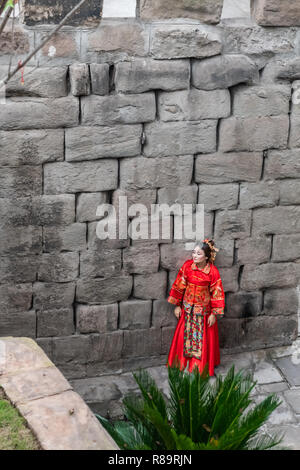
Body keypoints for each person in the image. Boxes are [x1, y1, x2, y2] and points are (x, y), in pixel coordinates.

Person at [166, 238, 225, 377]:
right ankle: (184, 363)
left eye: (198, 254)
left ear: (206, 256)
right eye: (193, 252)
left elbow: (217, 293)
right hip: (187, 311)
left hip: (203, 313)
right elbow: (179, 285)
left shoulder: (212, 272)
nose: (194, 256)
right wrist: (177, 305)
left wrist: (213, 314)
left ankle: (199, 367)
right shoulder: (187, 267)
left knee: (203, 340)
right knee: (184, 337)